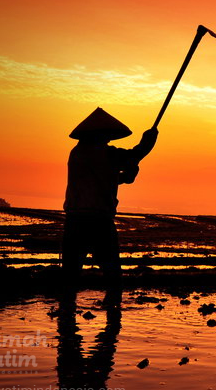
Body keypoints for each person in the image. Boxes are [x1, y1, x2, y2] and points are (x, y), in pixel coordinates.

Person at [61, 107, 158, 307]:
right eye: (106, 135)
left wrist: (130, 169)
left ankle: (67, 320)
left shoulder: (77, 152)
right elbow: (135, 155)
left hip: (74, 220)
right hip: (98, 221)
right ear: (99, 134)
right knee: (112, 272)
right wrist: (149, 140)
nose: (109, 138)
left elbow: (113, 177)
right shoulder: (106, 153)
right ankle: (112, 320)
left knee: (70, 273)